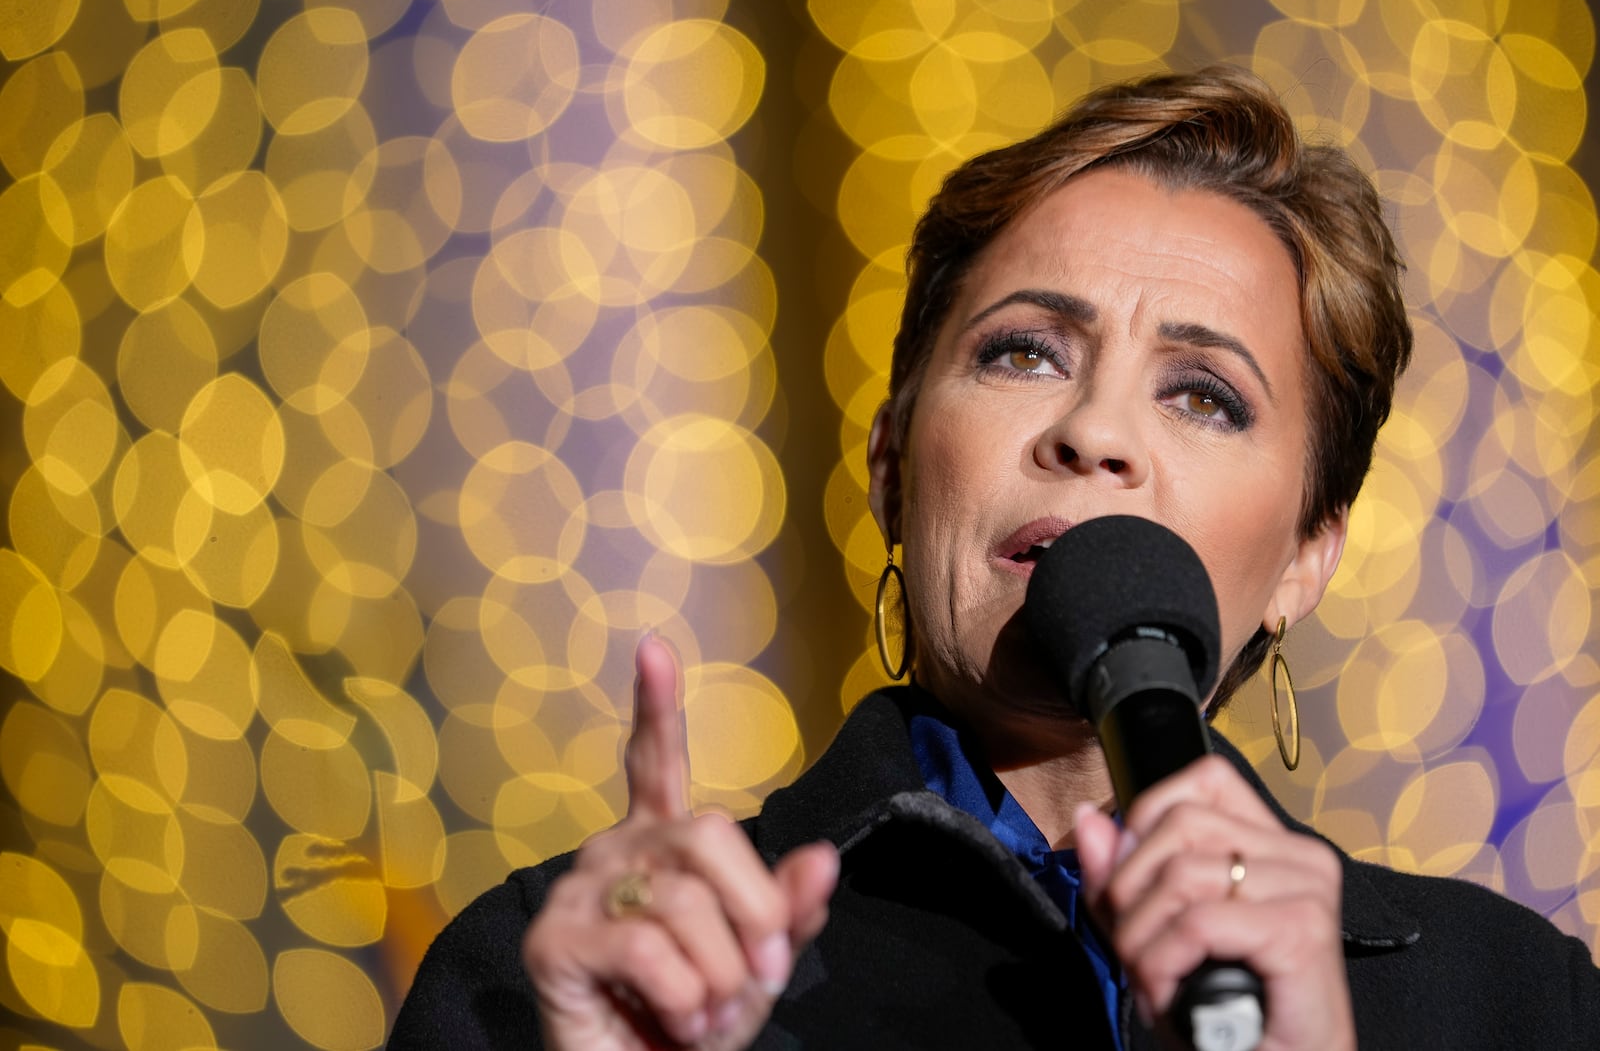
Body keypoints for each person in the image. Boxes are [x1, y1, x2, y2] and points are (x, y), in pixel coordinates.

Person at [389, 66, 1600, 1050]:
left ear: (1304, 558)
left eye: (1203, 395)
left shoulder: (1518, 1004)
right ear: (890, 466)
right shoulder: (561, 975)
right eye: (1025, 353)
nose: (1095, 431)